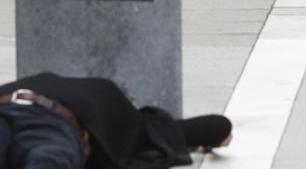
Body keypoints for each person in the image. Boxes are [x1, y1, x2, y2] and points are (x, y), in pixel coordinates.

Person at [0, 72, 233, 168]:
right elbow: (216, 126)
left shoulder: (133, 122)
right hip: (54, 124)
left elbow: (214, 127)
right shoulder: (141, 128)